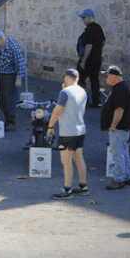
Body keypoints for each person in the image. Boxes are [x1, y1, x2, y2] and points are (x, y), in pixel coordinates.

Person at [49, 68, 89, 199]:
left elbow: (57, 110)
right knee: (79, 158)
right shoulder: (83, 91)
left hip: (68, 131)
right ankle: (83, 186)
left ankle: (67, 190)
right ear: (77, 79)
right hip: (80, 129)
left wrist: (50, 126)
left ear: (66, 78)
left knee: (66, 160)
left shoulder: (65, 92)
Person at [101, 65, 130, 190]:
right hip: (123, 127)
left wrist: (113, 126)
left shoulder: (119, 89)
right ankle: (127, 176)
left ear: (115, 76)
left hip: (119, 128)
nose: (106, 79)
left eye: (107, 76)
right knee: (124, 152)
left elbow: (119, 110)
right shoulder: (120, 87)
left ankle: (119, 179)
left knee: (118, 154)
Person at [0, 34, 25, 130]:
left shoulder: (13, 48)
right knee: (0, 98)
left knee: (10, 99)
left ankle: (11, 121)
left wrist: (18, 78)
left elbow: (21, 64)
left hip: (9, 75)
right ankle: (7, 119)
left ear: (2, 39)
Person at [76, 8, 104, 107]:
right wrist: (98, 51)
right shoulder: (98, 28)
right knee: (94, 80)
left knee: (80, 79)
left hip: (89, 59)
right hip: (97, 58)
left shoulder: (89, 29)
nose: (82, 20)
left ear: (88, 18)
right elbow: (103, 41)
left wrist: (83, 60)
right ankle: (96, 101)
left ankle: (84, 99)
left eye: (83, 18)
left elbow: (89, 46)